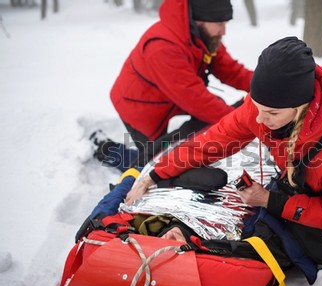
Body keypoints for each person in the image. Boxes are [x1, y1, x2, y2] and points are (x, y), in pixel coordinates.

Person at [125, 36, 322, 266]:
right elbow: (212, 142)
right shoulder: (265, 106)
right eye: (255, 107)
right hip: (320, 165)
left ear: (300, 108)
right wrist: (156, 174)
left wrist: (271, 201)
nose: (258, 120)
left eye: (270, 113)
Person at [93, 0, 253, 171]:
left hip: (170, 98)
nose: (224, 31)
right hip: (140, 106)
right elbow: (195, 99)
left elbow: (231, 70)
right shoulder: (162, 47)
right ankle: (108, 151)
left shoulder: (203, 36)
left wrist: (266, 85)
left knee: (202, 125)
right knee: (154, 162)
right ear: (198, 19)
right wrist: (241, 124)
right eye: (219, 24)